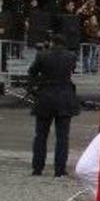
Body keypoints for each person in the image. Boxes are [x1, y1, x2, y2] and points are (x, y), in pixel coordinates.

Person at [28, 33, 79, 177]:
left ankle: (37, 167)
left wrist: (34, 88)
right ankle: (59, 169)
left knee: (40, 135)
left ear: (51, 42)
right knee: (62, 137)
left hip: (45, 96)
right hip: (64, 96)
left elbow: (32, 72)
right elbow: (71, 70)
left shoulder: (42, 55)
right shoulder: (71, 56)